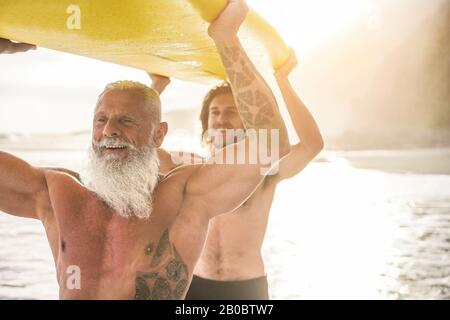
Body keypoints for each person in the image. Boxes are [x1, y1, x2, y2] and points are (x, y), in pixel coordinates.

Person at [0, 0, 290, 299]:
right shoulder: (56, 194)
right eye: (101, 120)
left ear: (159, 135)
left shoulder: (184, 198)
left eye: (126, 121)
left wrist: (226, 40)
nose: (110, 130)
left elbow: (271, 144)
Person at [150, 49, 323, 299]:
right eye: (215, 112)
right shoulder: (191, 168)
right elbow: (143, 149)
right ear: (206, 122)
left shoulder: (265, 168)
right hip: (194, 285)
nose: (221, 119)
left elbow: (312, 144)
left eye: (232, 112)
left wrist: (282, 80)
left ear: (248, 123)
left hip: (247, 289)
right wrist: (156, 88)